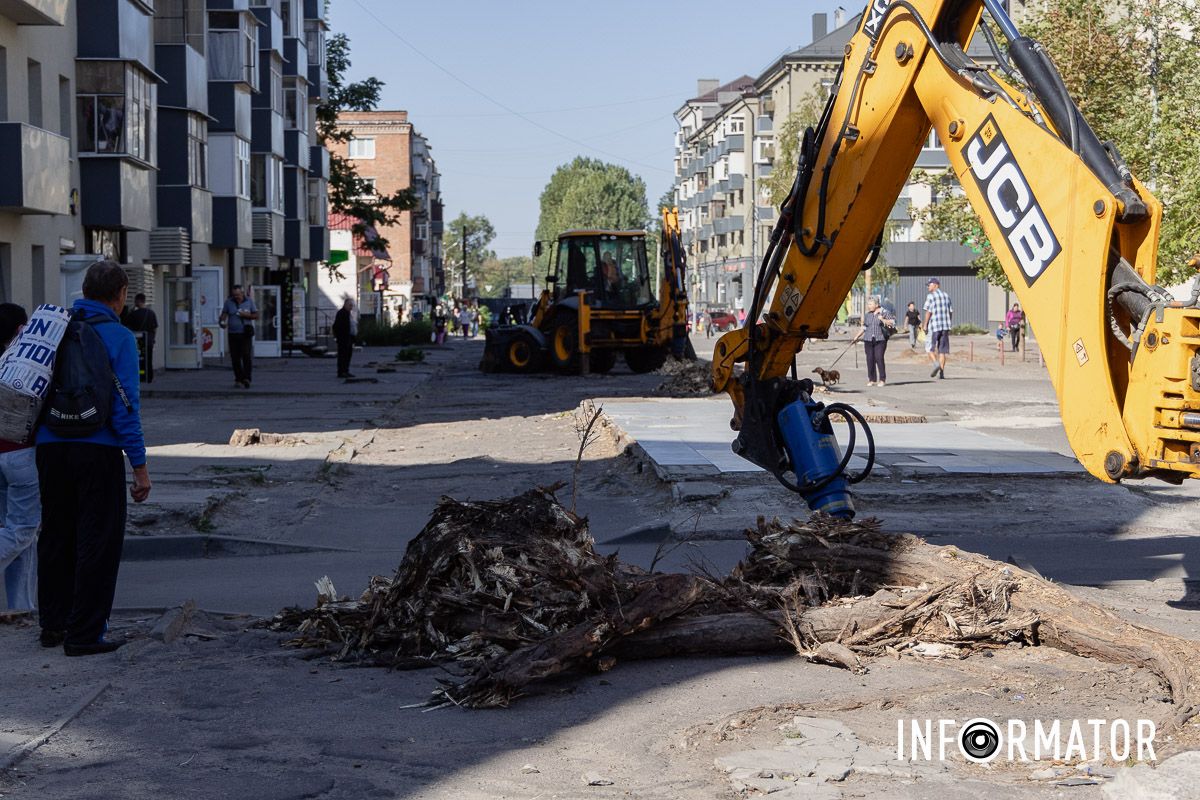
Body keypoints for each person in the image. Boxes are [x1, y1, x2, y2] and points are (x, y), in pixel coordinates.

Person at [37, 260, 151, 656]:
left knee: (55, 534)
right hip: (97, 448)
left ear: (84, 291)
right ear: (120, 296)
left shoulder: (54, 329)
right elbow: (125, 406)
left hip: (50, 446)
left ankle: (52, 625)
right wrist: (139, 466)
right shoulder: (119, 337)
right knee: (96, 540)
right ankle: (84, 632)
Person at [0, 304, 39, 612]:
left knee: (16, 534)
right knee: (23, 530)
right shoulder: (23, 363)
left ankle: (20, 608)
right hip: (21, 455)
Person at [219, 285, 258, 389]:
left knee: (246, 355)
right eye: (234, 295)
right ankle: (238, 378)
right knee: (235, 358)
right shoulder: (228, 302)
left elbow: (256, 315)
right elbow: (224, 314)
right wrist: (222, 322)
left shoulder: (249, 301)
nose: (236, 296)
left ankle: (247, 378)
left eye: (238, 294)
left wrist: (246, 315)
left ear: (242, 293)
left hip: (245, 333)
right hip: (232, 333)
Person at [854, 297, 895, 387]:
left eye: (871, 304)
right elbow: (864, 327)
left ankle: (882, 379)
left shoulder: (884, 312)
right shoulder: (868, 315)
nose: (869, 306)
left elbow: (892, 323)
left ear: (876, 305)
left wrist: (882, 319)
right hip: (868, 339)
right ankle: (871, 379)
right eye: (868, 304)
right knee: (870, 359)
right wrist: (857, 336)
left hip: (880, 339)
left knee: (879, 358)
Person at [122, 293, 158, 383]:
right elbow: (155, 327)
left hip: (137, 341)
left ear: (138, 301)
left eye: (135, 301)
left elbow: (125, 324)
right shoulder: (151, 313)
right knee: (149, 359)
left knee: (137, 359)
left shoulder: (134, 314)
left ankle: (140, 376)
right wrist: (153, 339)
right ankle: (149, 377)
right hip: (149, 340)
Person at [922, 277, 953, 379]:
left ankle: (936, 364)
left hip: (935, 326)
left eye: (929, 285)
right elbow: (950, 311)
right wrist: (949, 323)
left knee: (929, 347)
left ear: (935, 285)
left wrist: (925, 324)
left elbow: (928, 312)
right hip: (945, 327)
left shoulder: (931, 296)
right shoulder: (946, 296)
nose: (928, 287)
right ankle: (942, 373)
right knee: (942, 350)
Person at [332, 298, 355, 379]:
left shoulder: (348, 313)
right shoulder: (341, 313)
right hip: (343, 339)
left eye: (352, 305)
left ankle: (346, 370)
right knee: (343, 356)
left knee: (348, 355)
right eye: (350, 305)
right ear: (345, 304)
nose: (351, 307)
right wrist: (338, 337)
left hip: (349, 338)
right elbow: (336, 326)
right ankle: (341, 371)